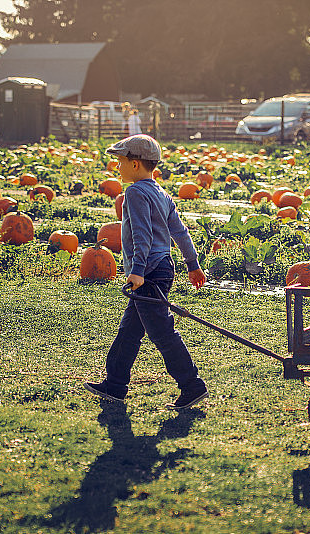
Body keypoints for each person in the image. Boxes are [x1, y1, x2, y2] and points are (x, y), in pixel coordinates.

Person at [84, 134, 209, 410]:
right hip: (163, 267)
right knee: (129, 331)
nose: (117, 167)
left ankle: (192, 386)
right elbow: (180, 232)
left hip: (149, 271)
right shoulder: (162, 194)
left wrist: (137, 270)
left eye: (120, 161)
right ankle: (115, 385)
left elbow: (142, 235)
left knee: (162, 332)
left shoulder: (135, 193)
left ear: (136, 164)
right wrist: (193, 264)